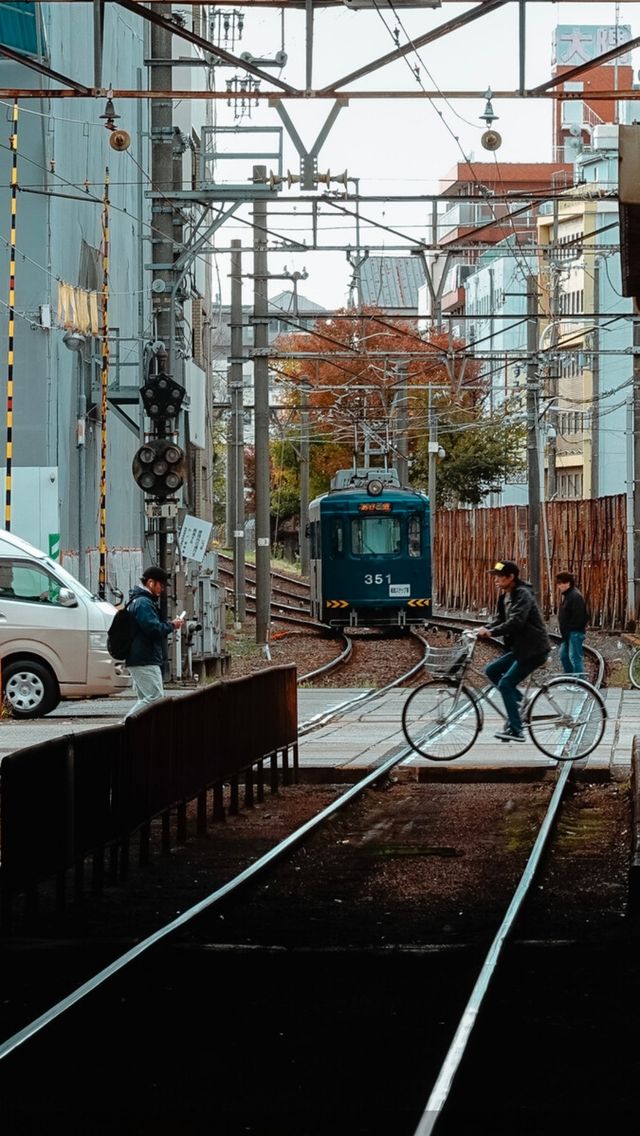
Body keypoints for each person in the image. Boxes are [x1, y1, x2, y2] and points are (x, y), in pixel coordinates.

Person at [478, 560, 551, 744]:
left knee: (505, 684)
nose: (496, 580)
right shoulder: (505, 596)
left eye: (499, 577)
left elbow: (516, 622)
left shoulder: (523, 594)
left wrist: (492, 632)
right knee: (491, 671)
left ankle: (516, 729)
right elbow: (500, 619)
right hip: (520, 649)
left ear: (511, 577)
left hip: (533, 649)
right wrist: (483, 628)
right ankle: (519, 701)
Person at [124, 566, 184, 718]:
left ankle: (134, 735)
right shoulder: (144, 603)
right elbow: (153, 629)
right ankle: (124, 726)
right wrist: (172, 625)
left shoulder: (137, 601)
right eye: (161, 585)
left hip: (139, 656)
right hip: (145, 657)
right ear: (151, 582)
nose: (162, 589)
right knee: (155, 698)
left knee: (145, 699)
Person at [556, 570, 588, 676]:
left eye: (561, 583)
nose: (559, 586)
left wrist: (570, 629)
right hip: (569, 633)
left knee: (575, 658)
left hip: (574, 632)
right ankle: (570, 679)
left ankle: (580, 683)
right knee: (564, 655)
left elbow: (580, 617)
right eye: (558, 583)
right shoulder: (569, 595)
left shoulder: (575, 596)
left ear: (568, 583)